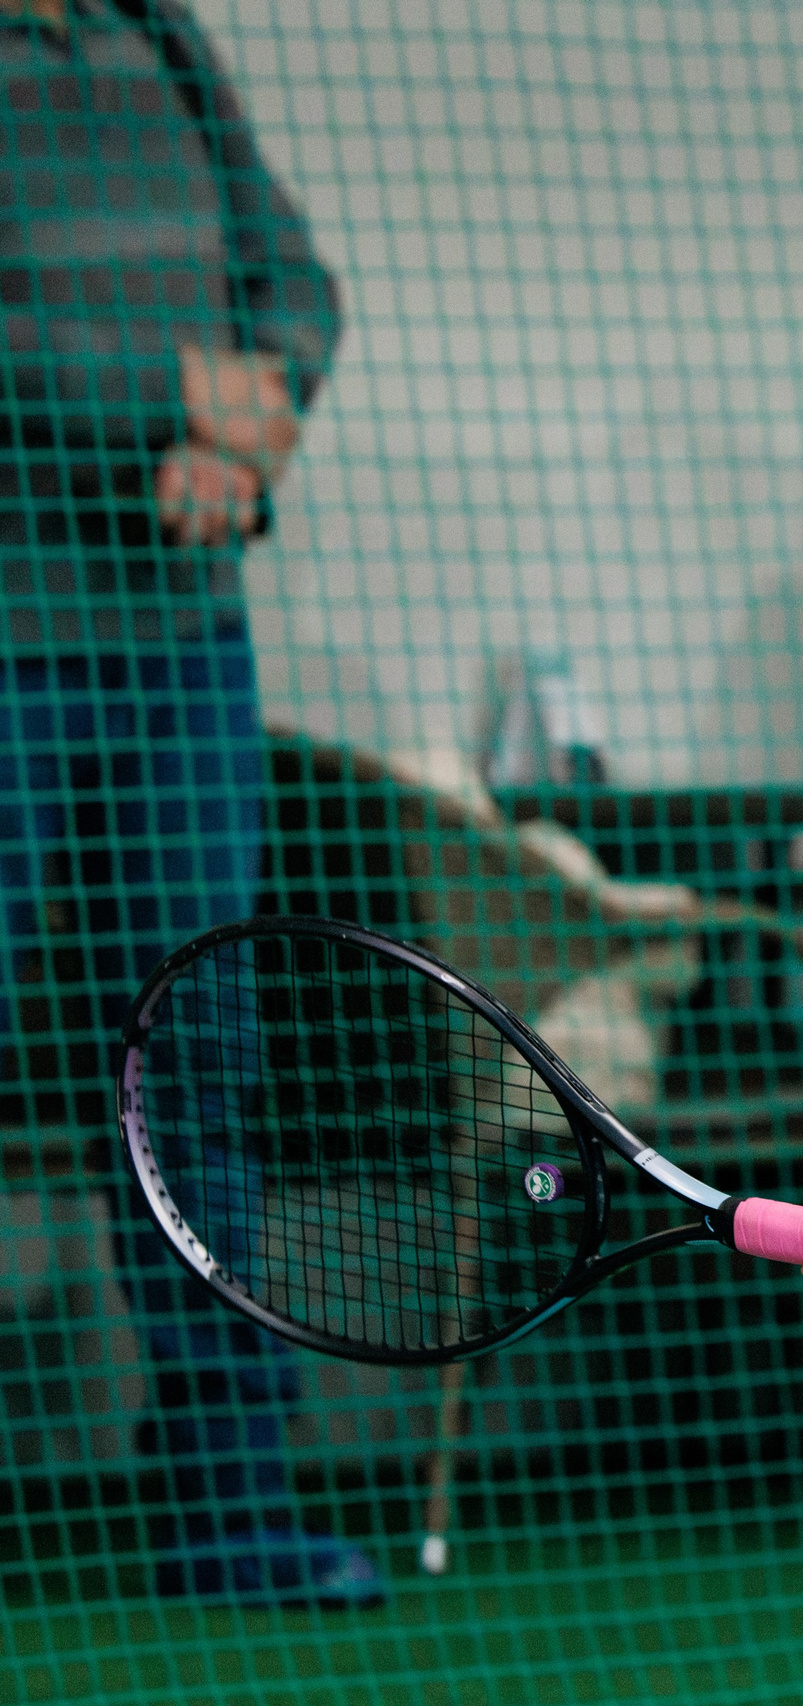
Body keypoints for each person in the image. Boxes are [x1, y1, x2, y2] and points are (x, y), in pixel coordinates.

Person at [0, 0, 368, 1603]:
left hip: (179, 635)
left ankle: (230, 1506)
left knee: (194, 1052)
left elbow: (292, 275)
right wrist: (176, 395)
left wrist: (248, 414)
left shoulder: (155, 28)